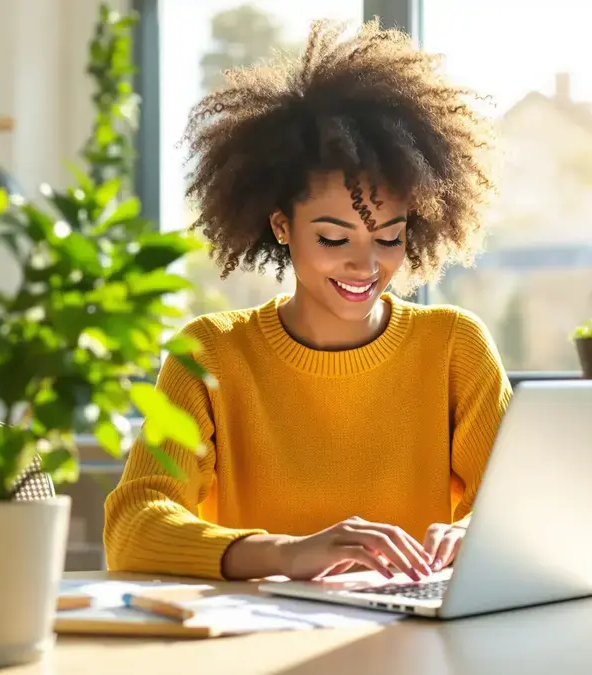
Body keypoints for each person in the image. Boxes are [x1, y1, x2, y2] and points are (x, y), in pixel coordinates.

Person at [103, 19, 511, 582]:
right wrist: (285, 555)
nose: (366, 266)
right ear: (281, 226)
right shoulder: (211, 353)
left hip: (413, 646)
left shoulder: (454, 346)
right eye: (334, 238)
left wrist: (475, 535)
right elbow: (133, 526)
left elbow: (519, 510)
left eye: (388, 238)